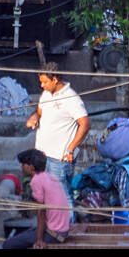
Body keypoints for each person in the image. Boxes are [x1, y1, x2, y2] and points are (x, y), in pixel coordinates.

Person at [25, 62, 89, 216]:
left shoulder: (71, 98)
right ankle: (55, 231)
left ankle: (70, 230)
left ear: (55, 80)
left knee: (63, 198)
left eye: (45, 82)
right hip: (43, 156)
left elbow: (85, 124)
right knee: (48, 197)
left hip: (59, 158)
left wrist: (71, 148)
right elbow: (39, 112)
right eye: (40, 81)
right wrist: (34, 117)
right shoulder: (46, 94)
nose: (42, 85)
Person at [3, 149, 71, 249]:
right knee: (26, 234)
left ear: (31, 167)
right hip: (62, 230)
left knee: (8, 245)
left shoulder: (37, 180)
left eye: (23, 164)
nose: (21, 167)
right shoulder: (48, 177)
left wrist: (39, 240)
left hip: (54, 233)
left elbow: (41, 212)